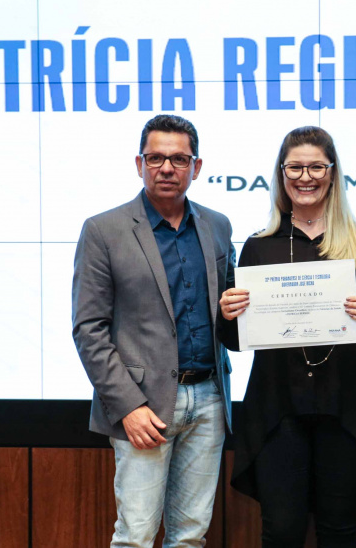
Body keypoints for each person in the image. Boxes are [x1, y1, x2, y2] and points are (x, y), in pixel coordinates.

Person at [218, 126, 356, 547]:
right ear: (281, 175)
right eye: (295, 167)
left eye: (316, 166)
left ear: (333, 173)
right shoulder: (258, 247)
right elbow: (233, 338)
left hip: (348, 410)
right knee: (281, 532)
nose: (306, 176)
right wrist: (227, 315)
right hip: (278, 412)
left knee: (339, 531)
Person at [72, 114, 235, 548]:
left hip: (209, 401)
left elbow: (230, 308)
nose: (167, 168)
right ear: (139, 163)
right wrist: (128, 406)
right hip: (143, 410)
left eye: (179, 159)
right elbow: (89, 329)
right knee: (136, 536)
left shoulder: (218, 226)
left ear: (196, 167)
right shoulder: (103, 230)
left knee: (190, 537)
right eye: (156, 158)